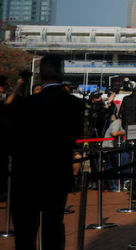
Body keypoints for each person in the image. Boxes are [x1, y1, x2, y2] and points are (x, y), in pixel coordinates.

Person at [5, 54, 84, 250]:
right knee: (53, 225)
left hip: (26, 173)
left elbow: (7, 123)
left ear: (41, 75)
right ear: (62, 72)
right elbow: (75, 135)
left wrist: (19, 85)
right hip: (57, 171)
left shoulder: (27, 103)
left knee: (25, 230)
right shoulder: (73, 104)